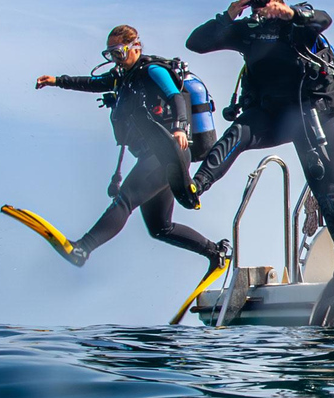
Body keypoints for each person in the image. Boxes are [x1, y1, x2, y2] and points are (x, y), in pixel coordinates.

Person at [184, 0, 334, 326]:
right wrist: (231, 12)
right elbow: (197, 42)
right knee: (237, 134)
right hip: (270, 115)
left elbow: (323, 19)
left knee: (324, 185)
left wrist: (291, 13)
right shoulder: (247, 30)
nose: (263, 7)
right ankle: (196, 185)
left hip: (310, 113)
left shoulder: (296, 22)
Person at [35, 25, 229, 275]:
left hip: (166, 153)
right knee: (160, 227)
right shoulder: (123, 76)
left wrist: (181, 128)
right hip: (155, 157)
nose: (115, 59)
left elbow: (176, 97)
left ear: (135, 47)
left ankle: (82, 249)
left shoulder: (152, 71)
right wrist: (57, 81)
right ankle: (216, 253)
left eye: (119, 52)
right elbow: (92, 83)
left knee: (124, 201)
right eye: (110, 54)